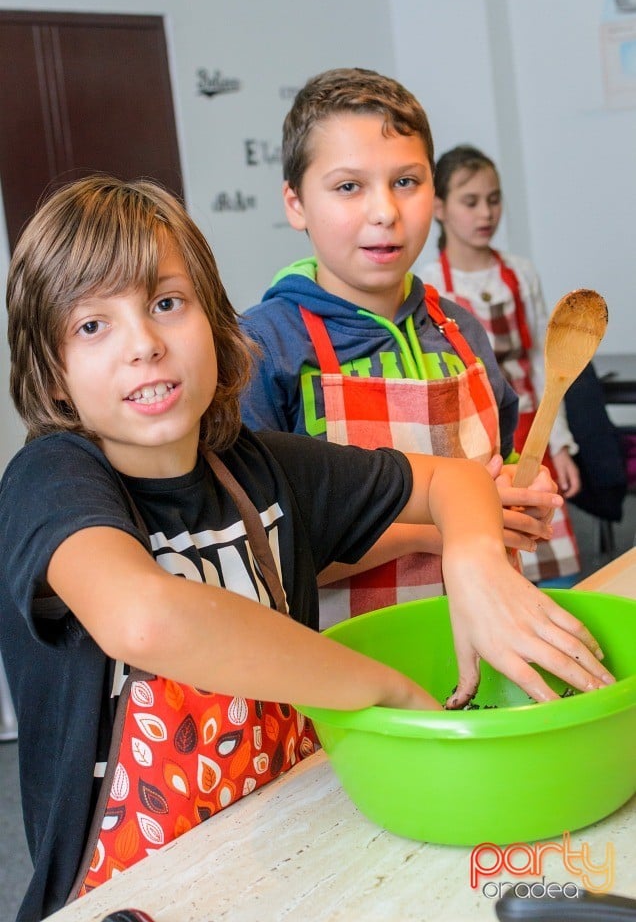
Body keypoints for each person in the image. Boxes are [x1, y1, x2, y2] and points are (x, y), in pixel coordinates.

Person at [0, 176, 612, 920]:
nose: (145, 346)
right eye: (92, 326)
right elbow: (146, 621)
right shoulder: (52, 480)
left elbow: (454, 482)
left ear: (217, 325)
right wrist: (381, 687)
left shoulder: (260, 467)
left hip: (291, 845)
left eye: (166, 303)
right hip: (126, 895)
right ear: (54, 377)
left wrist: (474, 561)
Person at [240, 67, 561, 626]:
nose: (385, 211)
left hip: (489, 647)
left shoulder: (461, 330)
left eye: (406, 182)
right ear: (295, 204)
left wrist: (525, 492)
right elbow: (260, 560)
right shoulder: (265, 348)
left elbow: (506, 468)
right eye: (348, 187)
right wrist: (449, 526)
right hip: (343, 682)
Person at [420, 143, 582, 586]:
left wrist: (562, 443)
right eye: (470, 202)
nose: (485, 213)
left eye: (493, 199)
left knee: (551, 564)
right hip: (479, 441)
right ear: (439, 208)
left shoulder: (520, 272)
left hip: (536, 425)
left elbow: (548, 362)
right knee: (497, 561)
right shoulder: (429, 282)